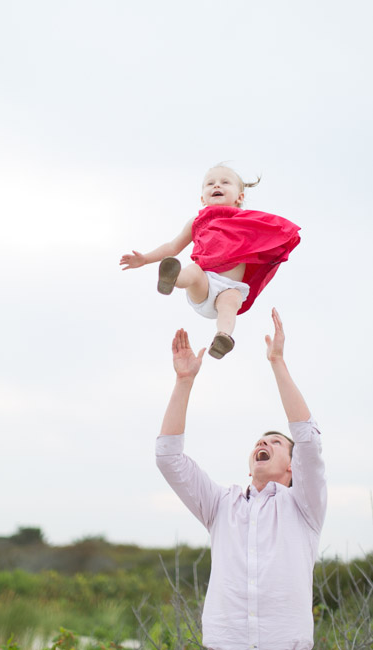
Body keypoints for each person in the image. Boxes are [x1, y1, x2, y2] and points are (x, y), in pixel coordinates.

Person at [156, 308, 327, 650]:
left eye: (276, 442)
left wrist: (277, 360)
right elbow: (168, 458)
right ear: (250, 466)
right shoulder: (220, 504)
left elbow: (307, 438)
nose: (264, 443)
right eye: (260, 442)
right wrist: (184, 381)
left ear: (293, 468)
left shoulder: (304, 507)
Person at [120, 165, 300, 359]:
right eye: (210, 183)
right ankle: (173, 278)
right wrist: (145, 258)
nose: (217, 185)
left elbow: (269, 233)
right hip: (204, 283)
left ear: (239, 197)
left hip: (230, 287)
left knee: (231, 300)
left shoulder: (247, 222)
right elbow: (172, 247)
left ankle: (223, 337)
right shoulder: (197, 221)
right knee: (194, 271)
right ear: (202, 198)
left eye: (225, 182)